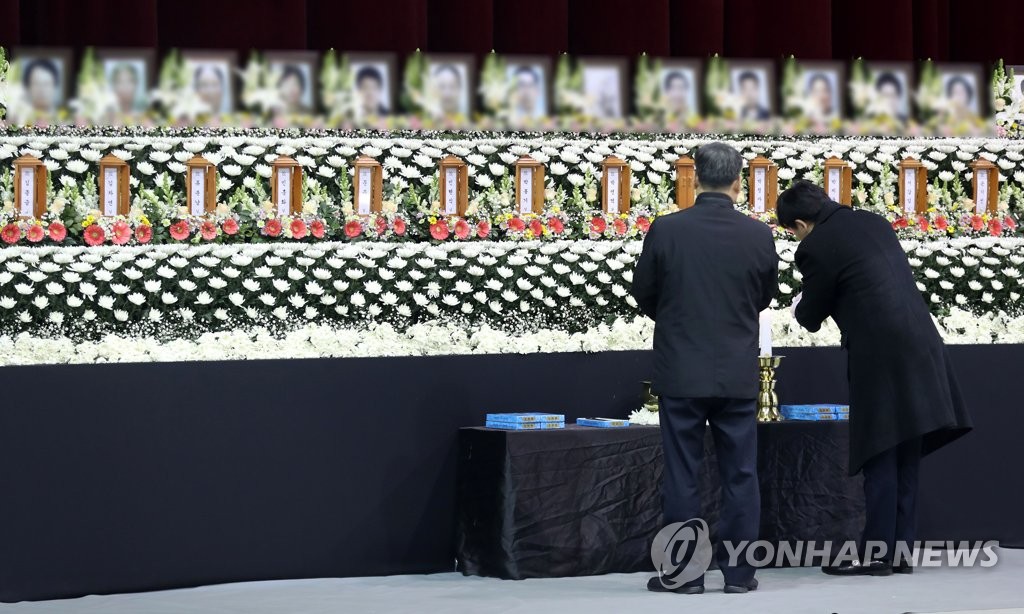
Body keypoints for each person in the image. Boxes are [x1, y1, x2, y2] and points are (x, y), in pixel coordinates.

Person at [776, 181, 972, 576]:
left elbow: (810, 316)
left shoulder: (816, 245)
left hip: (881, 354)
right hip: (922, 344)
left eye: (793, 232)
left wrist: (798, 306)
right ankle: (899, 552)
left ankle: (876, 555)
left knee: (880, 448)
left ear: (800, 224)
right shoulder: (874, 221)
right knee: (907, 451)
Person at [631, 142, 778, 595]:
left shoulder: (667, 229)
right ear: (738, 182)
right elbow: (764, 296)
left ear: (694, 180)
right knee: (741, 474)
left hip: (681, 368)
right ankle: (740, 574)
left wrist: (677, 319)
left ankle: (684, 574)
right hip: (735, 369)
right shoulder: (758, 235)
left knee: (682, 474)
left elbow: (645, 292)